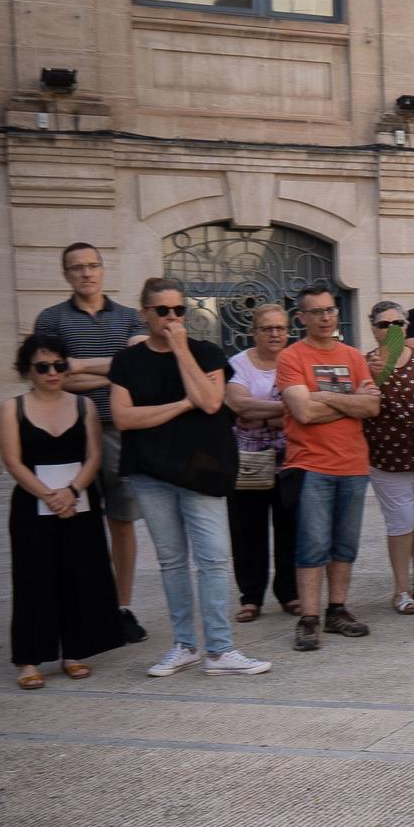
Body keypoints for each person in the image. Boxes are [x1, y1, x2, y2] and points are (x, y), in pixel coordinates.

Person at [109, 278, 271, 677]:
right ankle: (184, 645)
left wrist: (181, 349)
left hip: (203, 472)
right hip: (151, 473)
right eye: (162, 311)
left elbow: (212, 401)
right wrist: (182, 404)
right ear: (144, 313)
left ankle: (219, 650)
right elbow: (124, 418)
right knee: (172, 562)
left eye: (178, 310)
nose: (171, 318)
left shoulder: (206, 352)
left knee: (214, 559)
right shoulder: (127, 362)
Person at [34, 242, 147, 643]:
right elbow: (54, 377)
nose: (86, 273)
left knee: (122, 519)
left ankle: (122, 607)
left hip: (119, 430)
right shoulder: (51, 320)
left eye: (92, 266)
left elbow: (138, 367)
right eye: (77, 268)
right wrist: (115, 373)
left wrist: (83, 368)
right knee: (77, 522)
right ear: (66, 274)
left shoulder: (131, 318)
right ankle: (84, 608)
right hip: (69, 433)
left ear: (102, 269)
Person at [0, 332, 125, 688]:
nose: (52, 372)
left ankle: (75, 652)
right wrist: (50, 496)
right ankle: (29, 659)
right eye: (43, 366)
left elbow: (94, 455)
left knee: (80, 576)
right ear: (29, 370)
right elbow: (12, 461)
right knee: (33, 580)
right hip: (32, 503)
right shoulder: (13, 408)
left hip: (80, 501)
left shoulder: (83, 406)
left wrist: (71, 491)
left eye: (59, 365)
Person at [278, 283, 380, 652]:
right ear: (301, 317)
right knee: (312, 546)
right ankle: (309, 619)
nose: (325, 317)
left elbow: (372, 408)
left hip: (353, 464)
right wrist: (350, 399)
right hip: (311, 466)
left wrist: (325, 396)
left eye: (330, 310)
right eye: (317, 312)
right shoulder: (292, 358)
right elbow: (302, 412)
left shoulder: (353, 356)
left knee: (344, 545)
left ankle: (337, 611)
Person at [224, 305, 299, 621]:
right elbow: (236, 403)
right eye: (267, 328)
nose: (274, 334)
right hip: (247, 461)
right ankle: (251, 597)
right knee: (248, 530)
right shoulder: (238, 364)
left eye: (280, 328)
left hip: (291, 459)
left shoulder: (296, 361)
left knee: (290, 530)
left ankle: (290, 594)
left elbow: (302, 409)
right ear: (254, 332)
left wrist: (261, 418)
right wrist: (282, 410)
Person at [363, 301, 414, 615]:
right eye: (384, 324)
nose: (391, 330)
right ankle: (401, 590)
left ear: (406, 326)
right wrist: (371, 375)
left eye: (398, 323)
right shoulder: (366, 363)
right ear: (373, 329)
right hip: (388, 457)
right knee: (402, 523)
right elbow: (363, 402)